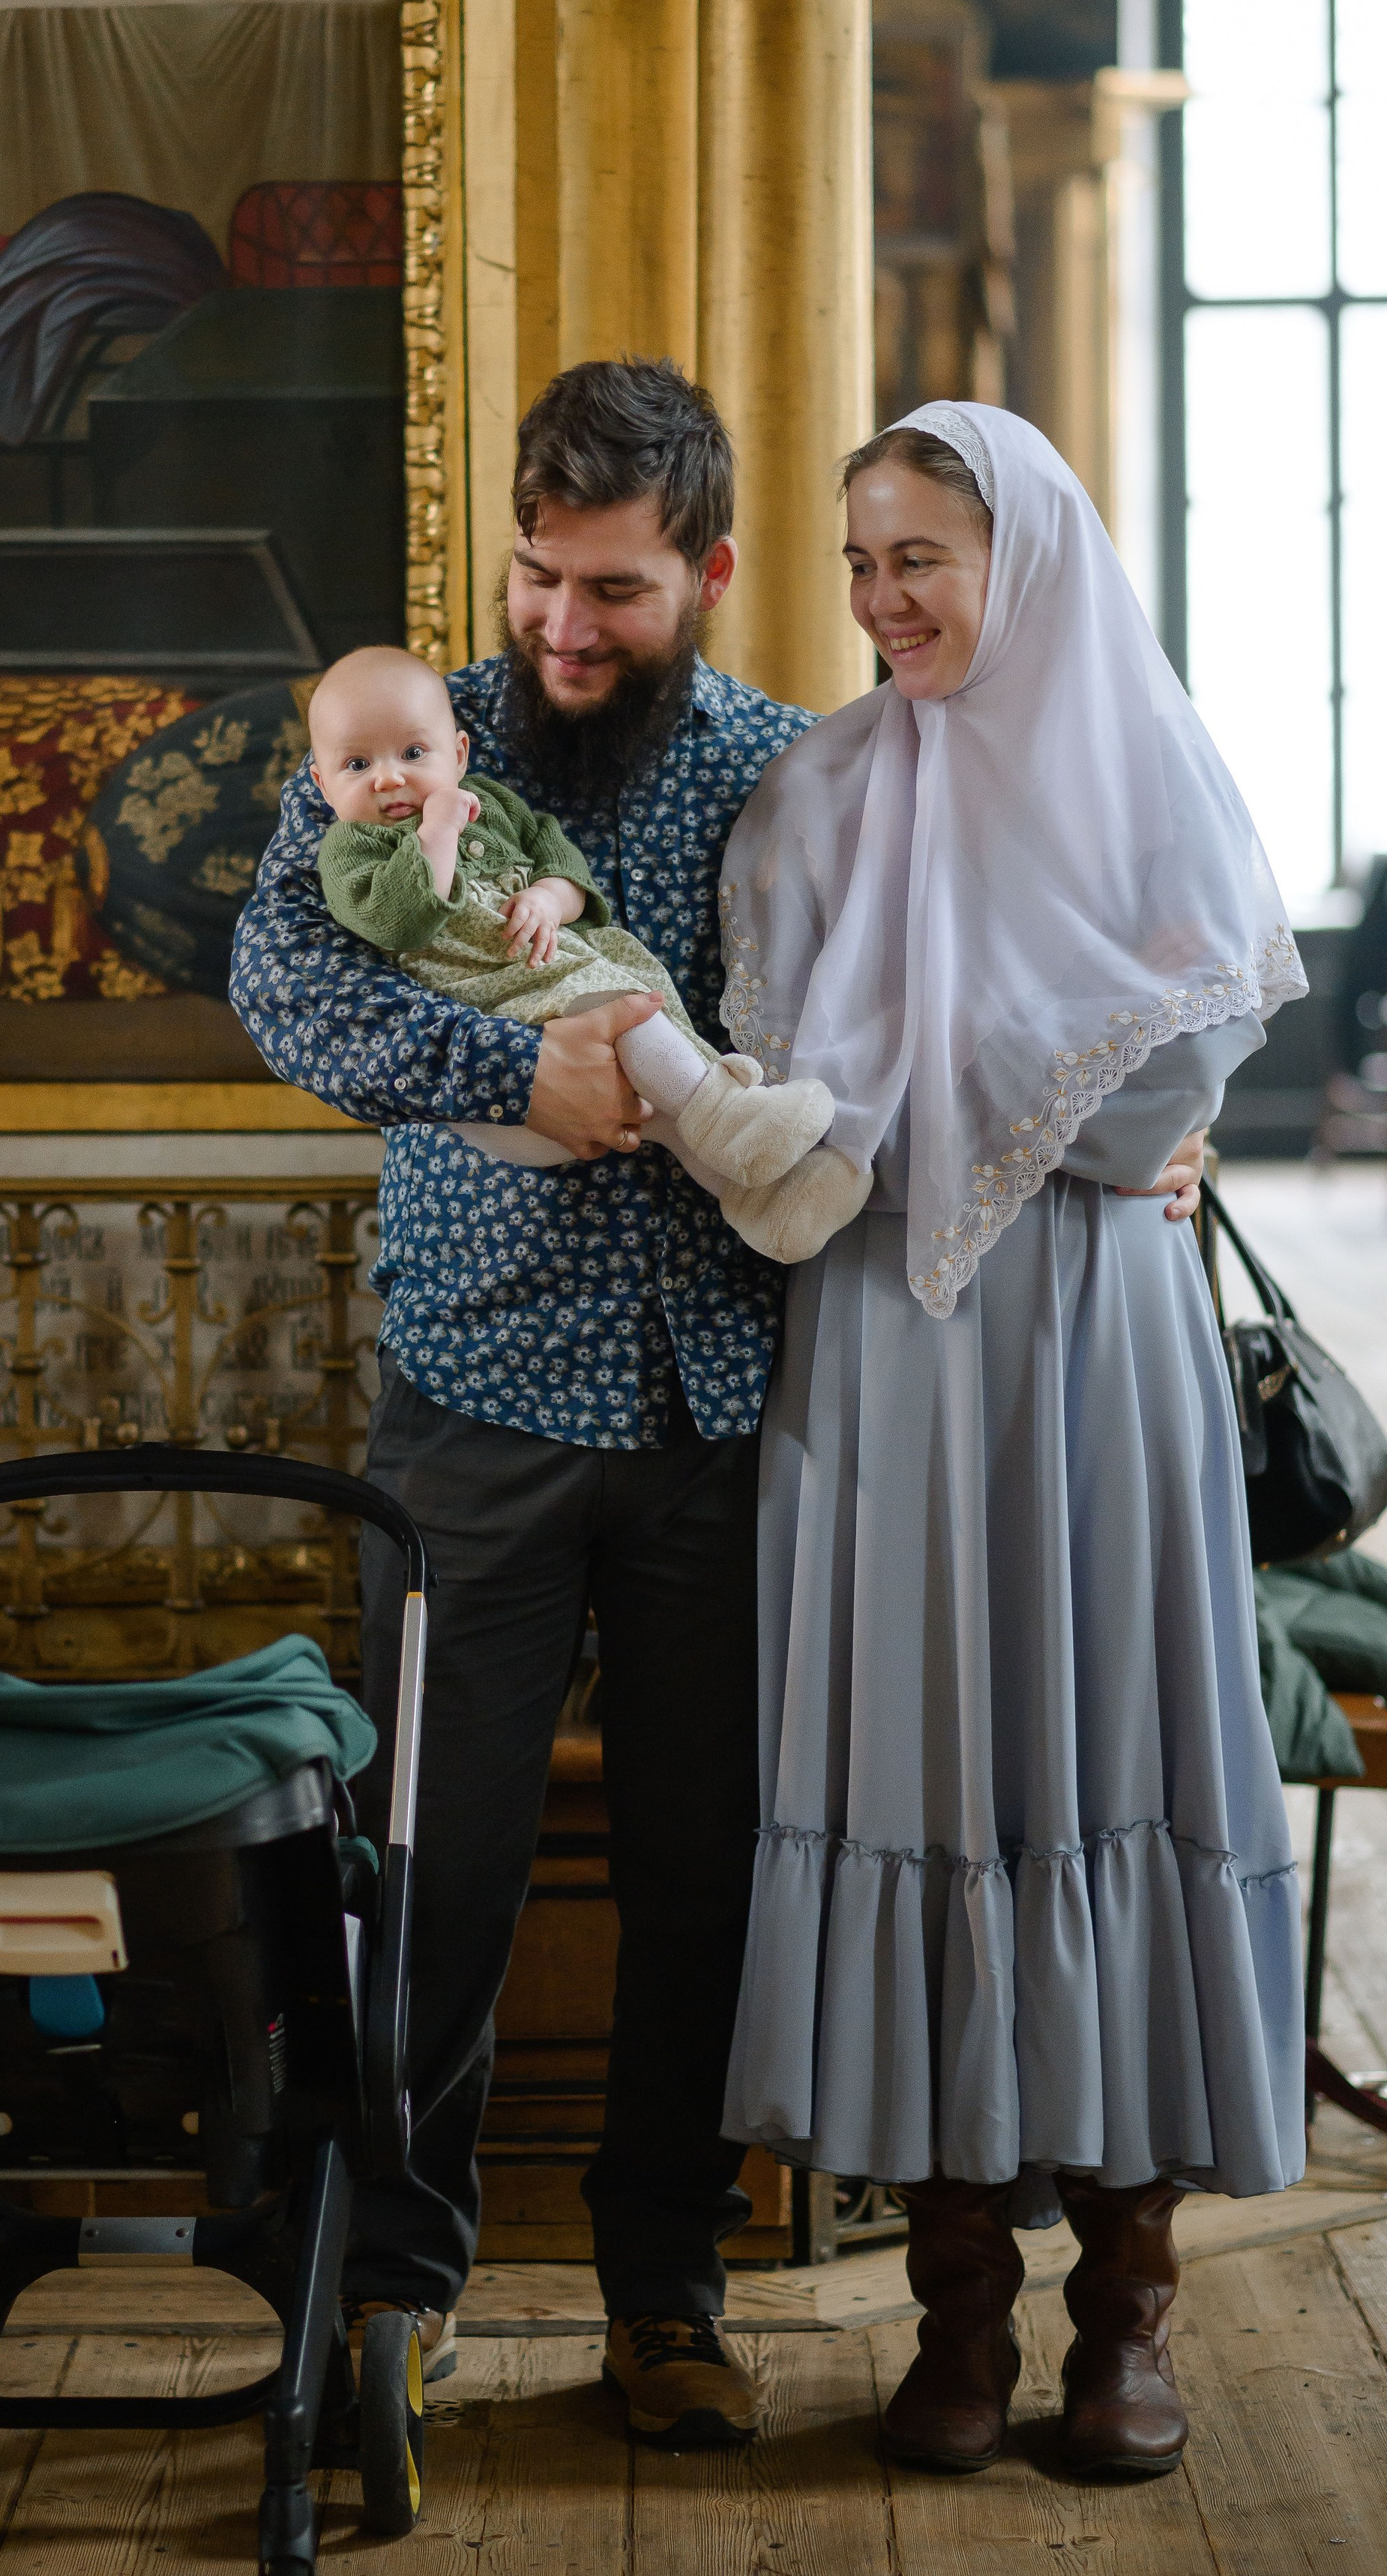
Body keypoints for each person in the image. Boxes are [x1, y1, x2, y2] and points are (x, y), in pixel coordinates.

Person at [232, 358, 1207, 2449]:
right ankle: (394, 2290)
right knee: (441, 1870)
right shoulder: (410, 749)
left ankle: (664, 2299)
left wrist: (1128, 1114)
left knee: (702, 1890)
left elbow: (964, 996)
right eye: (538, 580)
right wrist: (521, 1079)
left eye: (618, 595)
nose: (567, 632)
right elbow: (286, 986)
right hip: (479, 1400)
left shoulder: (795, 768)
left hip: (730, 1424)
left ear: (713, 574)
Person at [717, 403, 1305, 2483]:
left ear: (1025, 563)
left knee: (1109, 1744)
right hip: (879, 1343)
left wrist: (993, 1083)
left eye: (920, 563)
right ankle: (953, 2302)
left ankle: (1124, 2314)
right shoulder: (809, 796)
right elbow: (781, 1111)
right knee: (922, 1757)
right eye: (859, 561)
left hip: (1097, 1345)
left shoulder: (1156, 787)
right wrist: (1015, 1071)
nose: (881, 603)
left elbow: (1156, 1107)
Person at [304, 639, 832, 1197]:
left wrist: (551, 898)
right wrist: (437, 832)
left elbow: (560, 859)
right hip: (507, 1041)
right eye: (358, 765)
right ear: (322, 783)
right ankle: (731, 1117)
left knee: (662, 1107)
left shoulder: (492, 803)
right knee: (628, 1017)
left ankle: (757, 1200)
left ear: (458, 755)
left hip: (561, 988)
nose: (388, 779)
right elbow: (399, 921)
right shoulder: (350, 848)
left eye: (414, 754)